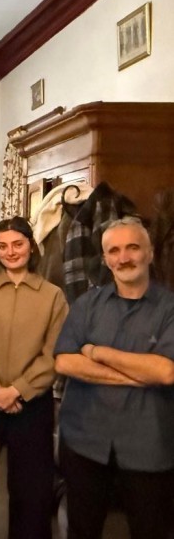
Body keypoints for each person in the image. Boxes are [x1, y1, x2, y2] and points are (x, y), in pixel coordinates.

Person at [54, 217, 174, 539]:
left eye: (133, 247)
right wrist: (138, 374)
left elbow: (166, 371)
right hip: (85, 442)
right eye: (114, 251)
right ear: (106, 259)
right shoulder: (87, 305)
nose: (124, 258)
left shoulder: (170, 308)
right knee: (81, 531)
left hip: (149, 447)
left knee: (151, 532)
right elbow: (65, 361)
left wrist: (97, 352)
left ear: (149, 253)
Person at [0, 217, 67, 539]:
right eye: (3, 246)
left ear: (31, 246)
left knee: (31, 495)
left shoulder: (53, 296)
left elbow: (54, 353)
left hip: (32, 406)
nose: (10, 252)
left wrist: (17, 390)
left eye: (18, 244)